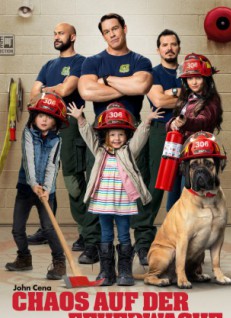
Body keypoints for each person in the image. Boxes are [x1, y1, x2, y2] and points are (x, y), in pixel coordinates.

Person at [78, 13, 153, 265]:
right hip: (102, 136)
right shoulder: (93, 61)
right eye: (107, 31)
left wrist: (107, 80)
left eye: (115, 28)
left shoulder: (140, 60)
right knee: (97, 186)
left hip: (131, 135)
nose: (112, 34)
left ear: (124, 28)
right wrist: (126, 84)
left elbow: (141, 87)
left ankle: (142, 246)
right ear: (103, 35)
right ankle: (92, 245)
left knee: (137, 188)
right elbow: (87, 90)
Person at [67, 101, 164, 286]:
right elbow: (88, 136)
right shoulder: (100, 151)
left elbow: (140, 138)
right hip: (103, 201)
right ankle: (106, 271)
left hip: (123, 201)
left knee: (124, 234)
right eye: (113, 135)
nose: (117, 138)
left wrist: (147, 122)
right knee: (105, 234)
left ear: (126, 135)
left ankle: (125, 271)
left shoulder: (128, 151)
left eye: (121, 134)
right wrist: (80, 118)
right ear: (106, 136)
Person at [28, 22, 101, 264]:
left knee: (74, 184)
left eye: (61, 33)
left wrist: (47, 93)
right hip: (45, 131)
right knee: (43, 182)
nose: (56, 36)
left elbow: (67, 88)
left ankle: (90, 236)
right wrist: (51, 91)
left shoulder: (82, 62)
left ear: (73, 36)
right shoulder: (49, 65)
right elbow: (33, 94)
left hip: (69, 129)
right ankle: (46, 228)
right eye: (55, 33)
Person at [130, 29, 182, 265]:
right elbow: (159, 101)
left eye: (173, 44)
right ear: (158, 49)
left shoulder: (186, 72)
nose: (169, 48)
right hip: (162, 132)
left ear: (178, 47)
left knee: (184, 188)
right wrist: (182, 95)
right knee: (156, 186)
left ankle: (177, 241)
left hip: (187, 132)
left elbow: (200, 97)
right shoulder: (153, 73)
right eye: (164, 45)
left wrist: (172, 93)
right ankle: (142, 242)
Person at [5, 93, 68, 280]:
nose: (44, 119)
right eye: (41, 115)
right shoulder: (27, 133)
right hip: (26, 188)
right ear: (35, 117)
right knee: (17, 229)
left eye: (49, 117)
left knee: (49, 229)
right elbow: (28, 160)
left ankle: (59, 263)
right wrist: (33, 184)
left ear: (55, 121)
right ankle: (24, 258)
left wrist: (47, 188)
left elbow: (52, 166)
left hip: (47, 193)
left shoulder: (56, 140)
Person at [167, 52, 223, 145]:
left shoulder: (212, 100)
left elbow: (203, 121)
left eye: (198, 78)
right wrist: (172, 123)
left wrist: (186, 122)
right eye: (190, 78)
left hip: (199, 150)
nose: (194, 82)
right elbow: (176, 120)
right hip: (182, 147)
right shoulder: (187, 98)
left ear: (206, 79)